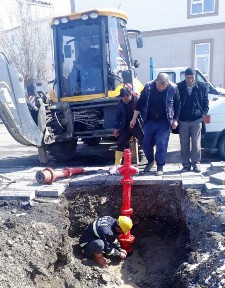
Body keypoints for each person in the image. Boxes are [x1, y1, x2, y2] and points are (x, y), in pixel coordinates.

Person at [130, 73, 180, 176]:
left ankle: (160, 166)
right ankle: (150, 161)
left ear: (167, 83)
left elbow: (177, 105)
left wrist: (175, 120)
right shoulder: (148, 87)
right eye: (158, 86)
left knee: (161, 143)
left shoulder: (173, 88)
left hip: (164, 122)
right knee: (146, 143)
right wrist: (134, 119)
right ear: (156, 81)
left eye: (162, 86)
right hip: (150, 121)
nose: (160, 88)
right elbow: (139, 103)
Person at [177, 67, 209, 173]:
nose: (190, 80)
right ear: (185, 77)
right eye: (188, 78)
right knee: (184, 143)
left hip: (196, 119)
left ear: (195, 77)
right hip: (183, 119)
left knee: (196, 143)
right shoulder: (179, 86)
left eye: (192, 78)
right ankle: (186, 165)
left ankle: (196, 164)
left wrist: (203, 115)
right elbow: (176, 103)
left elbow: (205, 102)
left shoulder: (202, 86)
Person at [110, 87, 144, 172]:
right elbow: (118, 116)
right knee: (120, 143)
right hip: (126, 126)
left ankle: (152, 161)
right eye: (123, 99)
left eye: (126, 99)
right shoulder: (121, 102)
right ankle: (117, 164)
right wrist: (116, 128)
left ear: (130, 95)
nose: (124, 100)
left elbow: (144, 112)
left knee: (144, 142)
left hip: (137, 125)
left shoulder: (138, 99)